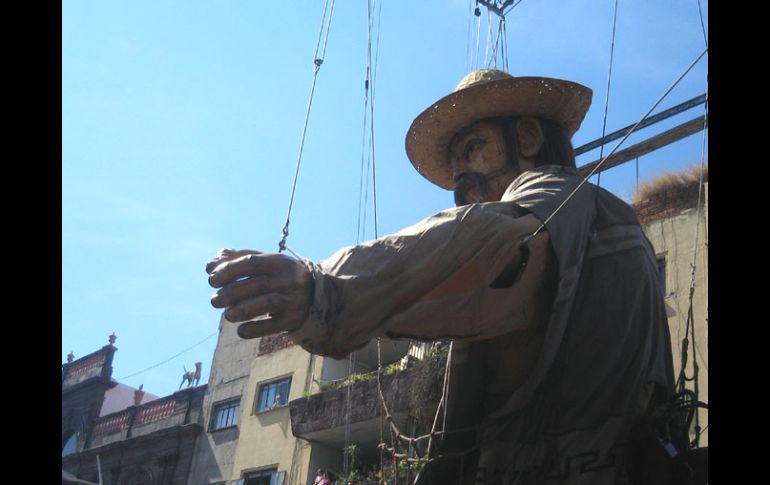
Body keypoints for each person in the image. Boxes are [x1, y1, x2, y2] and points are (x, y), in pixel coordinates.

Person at [207, 69, 675, 484]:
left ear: (528, 139)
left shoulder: (553, 199)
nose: (459, 178)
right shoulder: (596, 219)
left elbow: (492, 244)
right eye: (454, 166)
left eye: (473, 149)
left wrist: (323, 290)